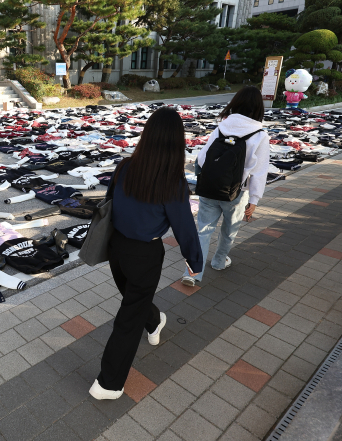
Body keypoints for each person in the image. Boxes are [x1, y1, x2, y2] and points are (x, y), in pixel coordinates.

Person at [90, 107, 203, 400]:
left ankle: (153, 321)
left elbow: (109, 203)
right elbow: (184, 227)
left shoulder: (126, 166)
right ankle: (109, 385)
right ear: (177, 141)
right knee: (129, 316)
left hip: (117, 248)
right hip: (144, 255)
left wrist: (193, 260)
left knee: (132, 304)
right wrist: (195, 261)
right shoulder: (172, 181)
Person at [181, 86, 270, 287]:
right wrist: (254, 200)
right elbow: (259, 171)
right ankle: (219, 262)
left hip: (210, 188)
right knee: (229, 231)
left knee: (202, 231)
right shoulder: (259, 135)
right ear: (258, 108)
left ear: (235, 103)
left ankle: (192, 272)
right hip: (237, 193)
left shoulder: (222, 127)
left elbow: (202, 159)